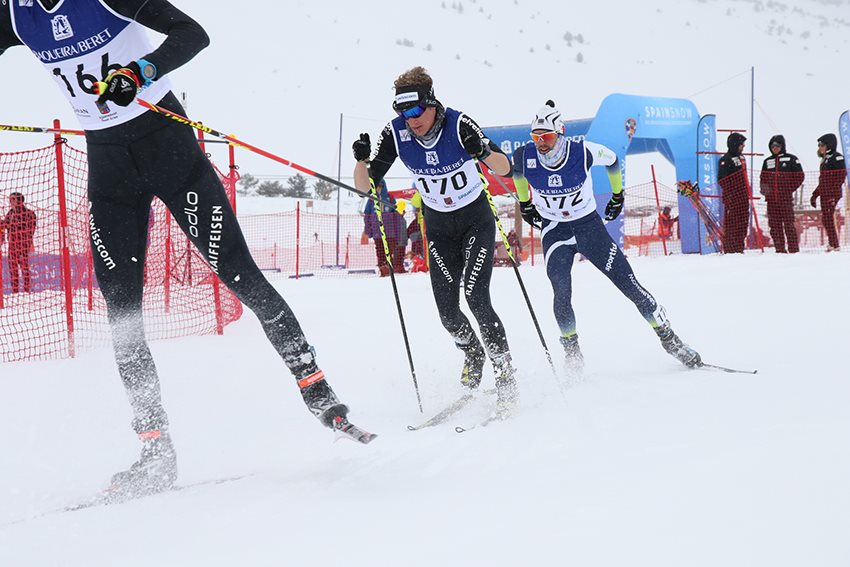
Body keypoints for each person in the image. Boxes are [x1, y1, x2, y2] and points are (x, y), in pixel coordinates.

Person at [0, 0, 355, 499]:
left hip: (166, 144)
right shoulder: (17, 15)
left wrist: (141, 71)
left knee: (239, 274)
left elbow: (192, 33)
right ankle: (155, 450)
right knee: (122, 313)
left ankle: (317, 390)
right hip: (109, 167)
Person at [352, 66, 518, 410]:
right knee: (447, 312)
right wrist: (362, 160)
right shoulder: (396, 132)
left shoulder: (458, 124)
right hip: (439, 229)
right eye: (402, 112)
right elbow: (364, 186)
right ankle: (473, 352)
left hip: (475, 222)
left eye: (415, 111)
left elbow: (505, 169)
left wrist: (483, 152)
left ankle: (505, 371)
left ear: (431, 103)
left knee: (476, 297)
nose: (410, 119)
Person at [512, 101, 701, 373]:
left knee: (629, 285)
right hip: (556, 231)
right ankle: (572, 353)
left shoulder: (582, 151)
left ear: (560, 133)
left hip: (588, 227)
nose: (541, 143)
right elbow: (518, 172)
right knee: (561, 293)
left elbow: (612, 160)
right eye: (536, 137)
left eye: (548, 137)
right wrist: (525, 202)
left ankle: (670, 338)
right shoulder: (524, 155)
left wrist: (617, 195)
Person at [759, 135, 804, 253]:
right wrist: (765, 192)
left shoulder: (791, 159)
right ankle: (779, 249)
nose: (775, 148)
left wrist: (789, 188)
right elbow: (762, 178)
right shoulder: (767, 161)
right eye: (772, 146)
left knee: (789, 225)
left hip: (786, 200)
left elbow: (800, 176)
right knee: (774, 226)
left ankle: (793, 249)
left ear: (782, 146)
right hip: (771, 201)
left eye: (777, 146)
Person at [811, 133, 846, 252]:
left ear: (829, 145)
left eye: (822, 145)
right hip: (825, 193)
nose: (820, 147)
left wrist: (833, 191)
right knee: (826, 219)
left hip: (832, 194)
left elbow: (842, 175)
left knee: (828, 218)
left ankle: (835, 245)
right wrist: (815, 195)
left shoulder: (837, 157)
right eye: (819, 145)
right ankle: (832, 243)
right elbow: (823, 180)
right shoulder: (824, 160)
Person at [717, 133, 750, 254]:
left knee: (743, 223)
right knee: (732, 224)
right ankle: (730, 249)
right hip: (732, 198)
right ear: (735, 144)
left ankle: (739, 248)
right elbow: (722, 179)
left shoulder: (742, 158)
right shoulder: (725, 160)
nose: (743, 146)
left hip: (743, 197)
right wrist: (732, 192)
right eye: (741, 144)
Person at [1, 192, 37, 293]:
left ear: (19, 201)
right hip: (12, 246)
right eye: (10, 200)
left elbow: (30, 230)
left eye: (13, 200)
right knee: (13, 270)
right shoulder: (10, 213)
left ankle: (26, 290)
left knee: (24, 268)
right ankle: (15, 291)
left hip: (23, 245)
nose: (10, 202)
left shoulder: (29, 214)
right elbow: (6, 226)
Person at [362, 180, 392, 276]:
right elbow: (367, 215)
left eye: (380, 186)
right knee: (379, 250)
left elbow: (396, 212)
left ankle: (388, 267)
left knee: (388, 250)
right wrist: (368, 229)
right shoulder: (371, 200)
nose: (378, 189)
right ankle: (381, 267)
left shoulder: (389, 198)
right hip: (377, 232)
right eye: (376, 187)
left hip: (389, 232)